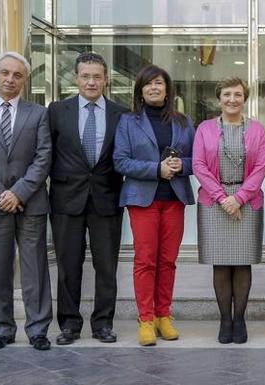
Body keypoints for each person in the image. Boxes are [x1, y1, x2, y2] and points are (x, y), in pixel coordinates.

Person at [48, 52, 128, 345]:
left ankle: (103, 323)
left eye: (97, 76)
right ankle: (69, 324)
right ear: (76, 78)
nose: (91, 82)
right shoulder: (57, 111)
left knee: (106, 266)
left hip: (107, 199)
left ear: (106, 79)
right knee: (68, 265)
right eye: (85, 76)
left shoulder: (121, 113)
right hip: (66, 199)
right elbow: (47, 154)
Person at [113, 64, 195, 346]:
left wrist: (180, 165)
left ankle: (163, 315)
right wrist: (155, 169)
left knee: (168, 261)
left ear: (167, 89)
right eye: (148, 84)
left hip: (174, 199)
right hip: (143, 200)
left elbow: (198, 160)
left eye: (159, 83)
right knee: (145, 260)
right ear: (140, 90)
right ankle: (145, 319)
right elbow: (120, 161)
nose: (154, 88)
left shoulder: (183, 122)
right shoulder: (128, 122)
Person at [0, 52, 52, 351]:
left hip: (30, 203)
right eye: (5, 73)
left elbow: (44, 157)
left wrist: (18, 192)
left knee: (35, 269)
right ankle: (3, 328)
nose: (10, 79)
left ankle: (37, 328)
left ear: (25, 79)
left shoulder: (38, 114)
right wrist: (0, 194)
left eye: (17, 75)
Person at [193, 78, 265, 344]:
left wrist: (239, 199)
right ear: (219, 98)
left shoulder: (257, 130)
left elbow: (261, 167)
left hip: (246, 203)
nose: (232, 99)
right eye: (227, 94)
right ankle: (225, 320)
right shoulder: (204, 128)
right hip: (214, 203)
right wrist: (224, 199)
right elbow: (199, 165)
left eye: (238, 94)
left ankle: (240, 319)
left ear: (244, 98)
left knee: (242, 262)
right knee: (221, 263)